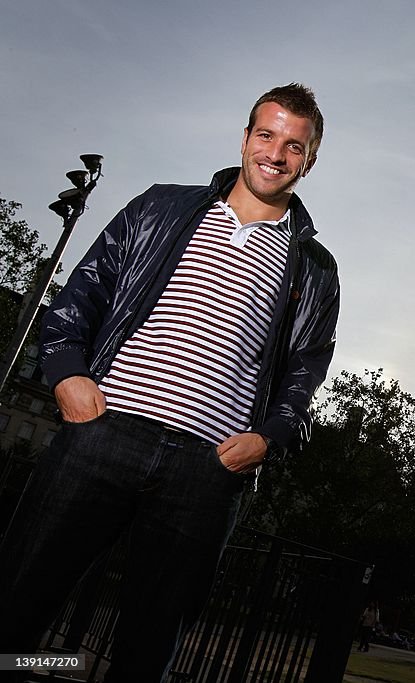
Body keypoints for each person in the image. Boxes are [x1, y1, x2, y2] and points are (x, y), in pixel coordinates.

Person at [0, 83, 340, 683]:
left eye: (294, 145)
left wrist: (268, 439)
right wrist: (67, 376)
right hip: (103, 434)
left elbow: (305, 367)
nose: (275, 154)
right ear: (245, 138)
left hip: (206, 470)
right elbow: (83, 292)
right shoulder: (162, 206)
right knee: (16, 611)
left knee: (146, 651)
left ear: (309, 159)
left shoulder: (314, 265)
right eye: (266, 135)